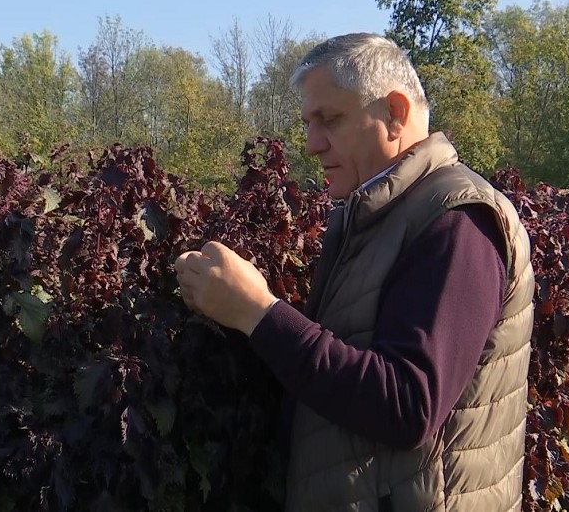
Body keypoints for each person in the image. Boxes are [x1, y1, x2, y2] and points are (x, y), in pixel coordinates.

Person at [175, 33, 534, 512]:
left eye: (331, 119)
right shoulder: (371, 217)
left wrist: (256, 311)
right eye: (307, 123)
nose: (312, 144)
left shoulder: (455, 218)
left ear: (394, 114)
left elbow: (409, 405)